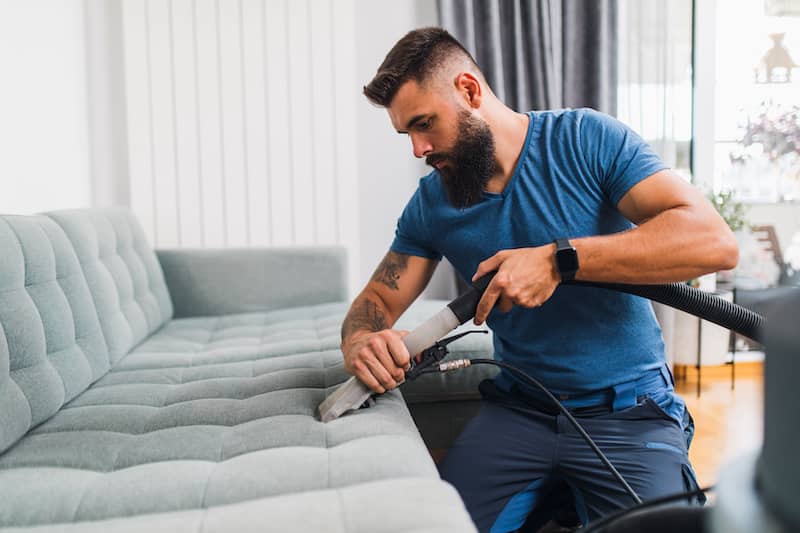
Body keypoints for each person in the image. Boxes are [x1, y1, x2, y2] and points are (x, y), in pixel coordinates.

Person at [339, 27, 738, 532]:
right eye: (407, 135)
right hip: (521, 414)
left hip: (629, 414)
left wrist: (558, 260)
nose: (419, 148)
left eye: (424, 125)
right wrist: (361, 341)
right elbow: (376, 298)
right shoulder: (433, 205)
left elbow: (714, 242)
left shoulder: (585, 140)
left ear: (468, 90)